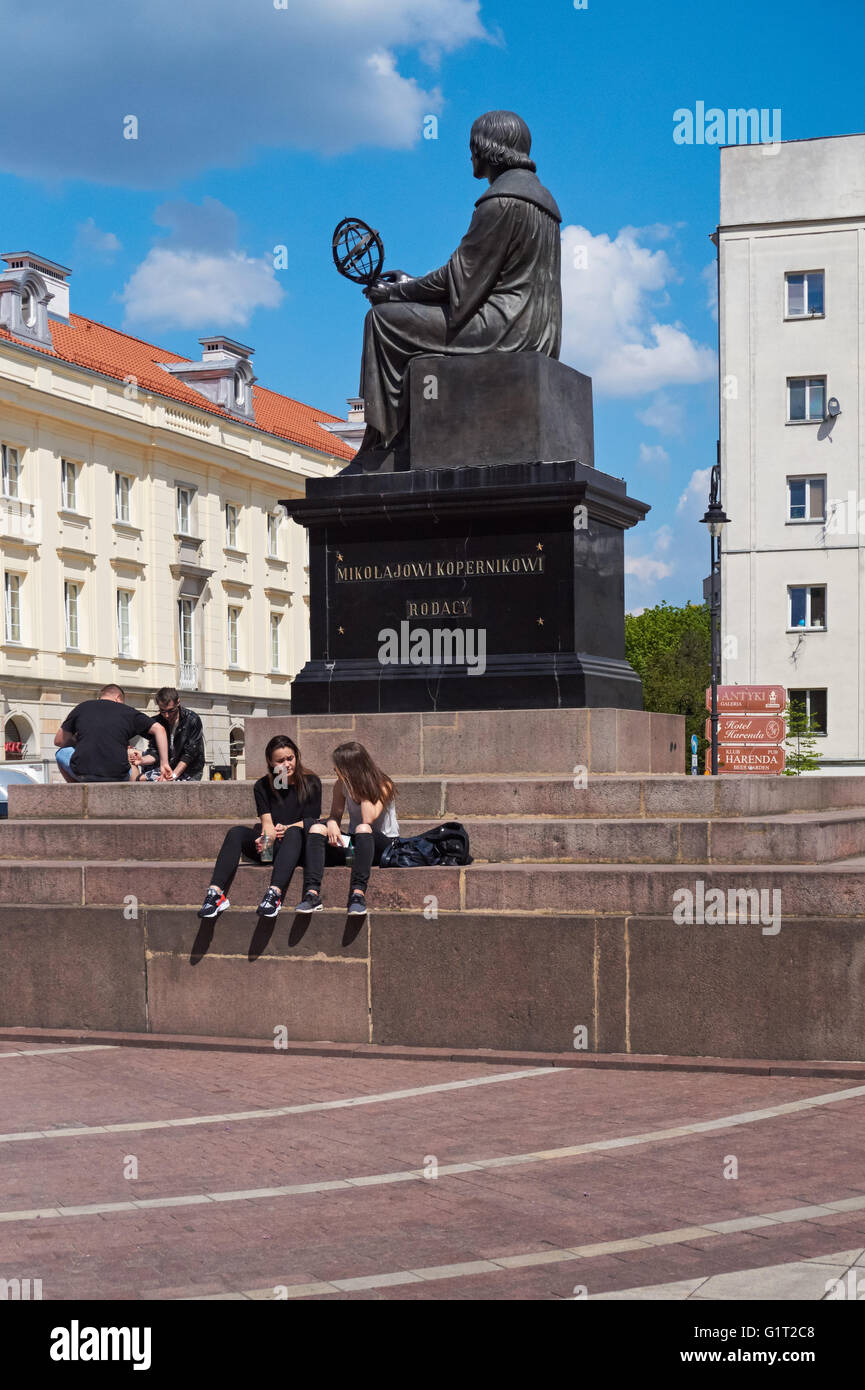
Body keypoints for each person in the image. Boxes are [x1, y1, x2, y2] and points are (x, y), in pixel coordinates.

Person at [351, 109, 562, 468]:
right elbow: (476, 276)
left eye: (473, 146)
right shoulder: (544, 204)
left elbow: (459, 279)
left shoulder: (498, 201)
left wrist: (395, 293)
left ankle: (382, 448)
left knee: (383, 320)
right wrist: (413, 283)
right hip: (538, 331)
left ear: (489, 148)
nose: (470, 154)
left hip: (502, 329)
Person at [198, 736, 321, 921]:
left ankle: (274, 895)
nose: (287, 764)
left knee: (294, 833)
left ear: (297, 756)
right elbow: (267, 824)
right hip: (274, 846)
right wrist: (265, 840)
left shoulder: (311, 782)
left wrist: (288, 828)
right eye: (280, 761)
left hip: (298, 847)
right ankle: (215, 894)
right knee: (236, 833)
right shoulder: (262, 786)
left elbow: (312, 821)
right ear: (270, 762)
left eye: (290, 758)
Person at [295, 741, 399, 918]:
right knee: (317, 828)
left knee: (363, 827)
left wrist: (361, 785)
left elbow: (368, 819)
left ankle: (358, 895)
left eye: (338, 767)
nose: (335, 770)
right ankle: (312, 894)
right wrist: (333, 823)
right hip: (356, 843)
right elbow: (335, 815)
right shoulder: (340, 786)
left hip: (384, 845)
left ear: (351, 768)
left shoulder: (383, 783)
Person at [54, 684, 171, 784]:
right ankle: (131, 794)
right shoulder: (128, 711)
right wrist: (164, 763)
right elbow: (160, 729)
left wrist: (78, 741)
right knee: (131, 758)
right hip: (118, 775)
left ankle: (77, 790)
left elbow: (59, 741)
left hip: (84, 774)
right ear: (118, 698)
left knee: (61, 752)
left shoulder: (82, 707)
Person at [130, 687, 205, 782]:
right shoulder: (157, 722)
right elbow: (155, 752)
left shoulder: (192, 720)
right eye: (162, 711)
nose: (167, 715)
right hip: (168, 766)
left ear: (178, 702)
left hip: (190, 770)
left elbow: (189, 754)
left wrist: (173, 776)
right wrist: (142, 760)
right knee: (140, 779)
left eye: (171, 710)